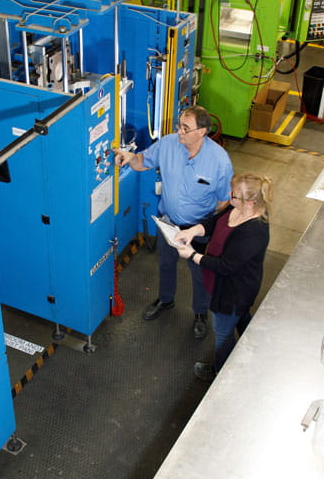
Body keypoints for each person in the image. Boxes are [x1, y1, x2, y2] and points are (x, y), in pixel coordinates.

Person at [114, 105, 232, 339]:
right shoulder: (168, 144)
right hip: (168, 222)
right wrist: (130, 158)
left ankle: (200, 314)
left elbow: (224, 202)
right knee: (165, 264)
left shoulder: (219, 161)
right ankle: (166, 300)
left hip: (198, 229)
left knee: (199, 273)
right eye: (179, 125)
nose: (180, 132)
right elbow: (143, 161)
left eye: (186, 128)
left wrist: (206, 229)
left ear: (202, 132)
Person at [173, 173, 272, 381]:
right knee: (242, 319)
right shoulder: (235, 208)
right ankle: (253, 352)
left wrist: (192, 255)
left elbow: (226, 266)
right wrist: (192, 232)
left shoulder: (254, 231)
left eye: (234, 195)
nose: (230, 196)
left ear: (250, 202)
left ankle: (221, 372)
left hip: (232, 292)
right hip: (218, 281)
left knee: (223, 333)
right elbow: (213, 222)